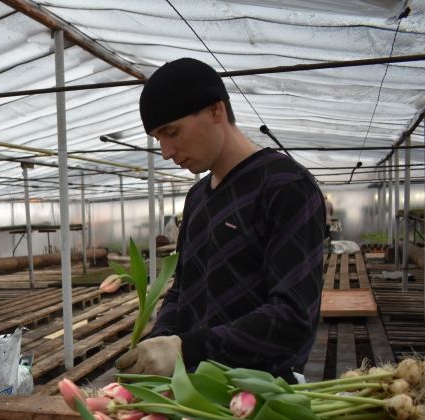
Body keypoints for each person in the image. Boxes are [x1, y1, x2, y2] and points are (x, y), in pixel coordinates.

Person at [116, 58, 325, 381]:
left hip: (262, 395)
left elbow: (293, 317)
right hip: (193, 392)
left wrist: (189, 348)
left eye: (172, 132)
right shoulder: (197, 198)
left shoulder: (284, 186)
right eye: (158, 138)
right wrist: (159, 341)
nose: (167, 152)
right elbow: (182, 290)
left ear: (216, 111)